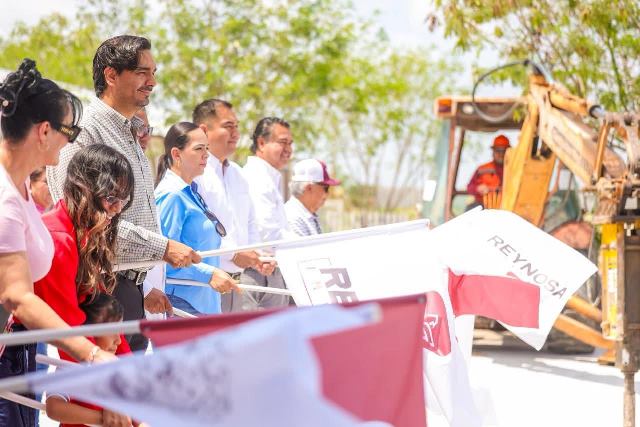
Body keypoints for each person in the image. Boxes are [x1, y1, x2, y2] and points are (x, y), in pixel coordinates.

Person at [47, 35, 196, 351]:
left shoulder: (130, 133)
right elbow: (82, 217)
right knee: (95, 383)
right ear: (111, 75)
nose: (152, 82)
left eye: (153, 73)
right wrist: (161, 247)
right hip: (98, 291)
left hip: (129, 291)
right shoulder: (84, 132)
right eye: (142, 72)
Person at [0, 59, 114, 427]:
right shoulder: (4, 198)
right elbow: (17, 296)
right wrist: (91, 354)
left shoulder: (19, 185)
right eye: (70, 131)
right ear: (45, 131)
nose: (71, 142)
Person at [191, 99, 275, 312]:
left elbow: (250, 222)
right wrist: (233, 255)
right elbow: (199, 227)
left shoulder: (238, 173)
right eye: (228, 126)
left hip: (238, 282)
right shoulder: (195, 173)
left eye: (237, 127)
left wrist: (258, 257)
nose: (236, 133)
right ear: (204, 130)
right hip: (206, 283)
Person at [155, 122, 238, 315]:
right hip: (183, 304)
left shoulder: (191, 192)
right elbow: (164, 257)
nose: (206, 154)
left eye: (207, 148)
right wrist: (209, 274)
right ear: (177, 154)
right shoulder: (171, 195)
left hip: (204, 303)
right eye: (199, 148)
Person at [46, 293, 137, 427]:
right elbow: (54, 408)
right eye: (113, 331)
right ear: (88, 333)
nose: (118, 340)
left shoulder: (118, 366)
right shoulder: (70, 365)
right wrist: (103, 418)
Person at [241, 117, 296, 309]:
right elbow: (266, 232)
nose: (288, 149)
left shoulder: (268, 177)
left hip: (270, 269)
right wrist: (304, 246)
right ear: (261, 143)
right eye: (282, 142)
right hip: (258, 273)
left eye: (290, 143)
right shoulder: (257, 177)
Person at [285, 159, 340, 236]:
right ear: (309, 188)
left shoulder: (304, 214)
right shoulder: (293, 218)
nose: (327, 194)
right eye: (326, 188)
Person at [466, 134, 511, 205]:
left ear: (509, 152)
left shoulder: (515, 170)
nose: (501, 154)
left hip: (508, 206)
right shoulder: (482, 169)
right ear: (493, 151)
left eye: (504, 151)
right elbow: (470, 187)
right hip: (484, 205)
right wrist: (478, 189)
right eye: (498, 151)